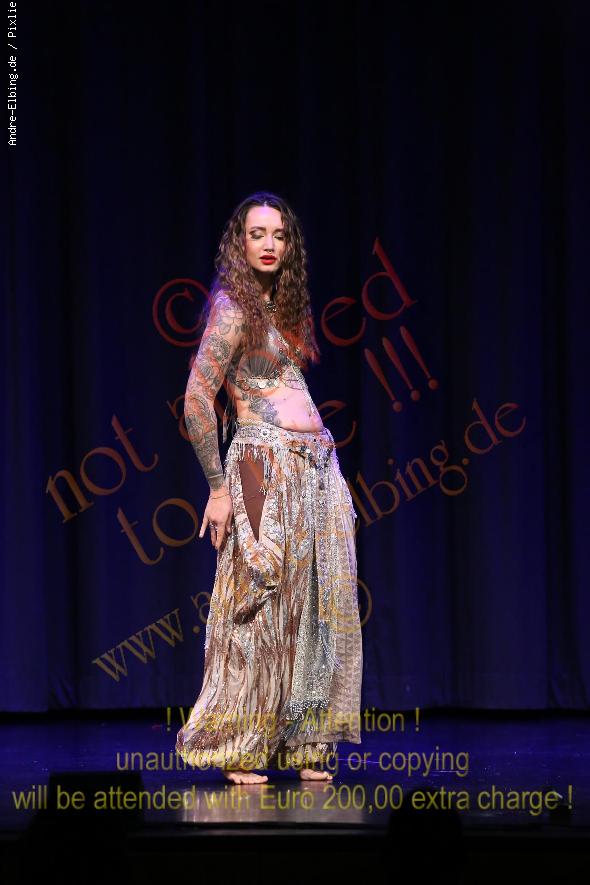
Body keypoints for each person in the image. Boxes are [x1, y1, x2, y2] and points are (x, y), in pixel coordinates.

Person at [175, 192, 362, 784]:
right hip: (261, 463)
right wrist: (218, 488)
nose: (269, 244)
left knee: (315, 604)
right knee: (257, 596)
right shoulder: (233, 309)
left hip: (314, 466)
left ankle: (303, 741)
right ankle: (235, 743)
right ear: (240, 242)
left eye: (279, 235)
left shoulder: (279, 307)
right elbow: (196, 399)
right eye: (257, 234)